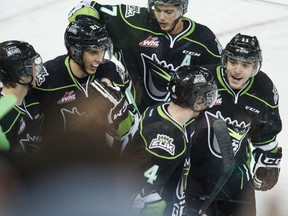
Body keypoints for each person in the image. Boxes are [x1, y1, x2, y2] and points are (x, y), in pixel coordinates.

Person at [184, 33, 283, 216]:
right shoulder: (204, 80)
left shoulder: (264, 89)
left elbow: (266, 133)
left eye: (245, 65)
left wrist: (270, 160)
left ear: (255, 67)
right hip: (194, 179)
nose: (237, 70)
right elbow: (177, 118)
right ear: (225, 61)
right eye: (233, 62)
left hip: (236, 182)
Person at [68, 0, 222, 112]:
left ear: (182, 9)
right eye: (157, 9)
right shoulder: (135, 21)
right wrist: (90, 30)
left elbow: (220, 79)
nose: (161, 17)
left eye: (168, 12)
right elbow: (85, 6)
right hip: (136, 118)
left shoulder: (203, 39)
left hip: (182, 124)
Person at [122, 65, 218, 216]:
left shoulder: (156, 110)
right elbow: (145, 195)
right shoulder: (171, 142)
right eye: (208, 95)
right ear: (198, 100)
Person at [32, 18, 138, 153]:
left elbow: (130, 129)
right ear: (74, 50)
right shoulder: (46, 80)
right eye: (93, 52)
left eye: (102, 50)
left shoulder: (111, 73)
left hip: (98, 161)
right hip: (57, 165)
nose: (99, 59)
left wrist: (118, 110)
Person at [0, 40, 44, 155]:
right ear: (20, 73)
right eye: (33, 65)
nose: (37, 70)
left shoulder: (32, 100)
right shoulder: (3, 118)